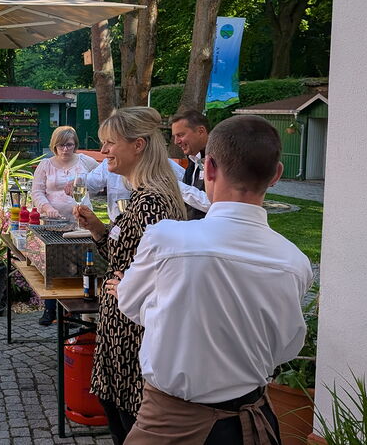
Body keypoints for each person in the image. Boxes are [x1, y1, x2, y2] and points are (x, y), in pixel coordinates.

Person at [115, 115, 313, 444]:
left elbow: (130, 304)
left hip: (170, 421)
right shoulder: (295, 262)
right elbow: (286, 346)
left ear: (208, 168)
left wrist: (168, 311)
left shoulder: (167, 239)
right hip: (254, 419)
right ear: (276, 175)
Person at [73, 107, 187, 445]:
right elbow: (127, 260)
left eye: (110, 143)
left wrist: (130, 287)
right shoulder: (142, 196)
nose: (104, 151)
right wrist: (98, 230)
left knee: (131, 428)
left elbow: (165, 272)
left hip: (133, 338)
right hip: (120, 334)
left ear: (138, 146)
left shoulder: (152, 201)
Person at [32, 125, 99, 325]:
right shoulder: (46, 165)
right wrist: (46, 207)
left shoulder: (86, 162)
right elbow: (37, 191)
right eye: (61, 145)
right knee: (53, 263)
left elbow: (102, 178)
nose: (65, 149)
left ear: (75, 145)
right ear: (54, 146)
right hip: (53, 223)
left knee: (79, 263)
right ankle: (50, 308)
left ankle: (76, 310)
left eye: (69, 145)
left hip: (81, 223)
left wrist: (91, 194)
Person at [86, 159, 211, 223]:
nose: (104, 150)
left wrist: (169, 184)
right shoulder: (107, 164)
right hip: (117, 226)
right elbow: (89, 184)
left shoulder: (166, 167)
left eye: (112, 142)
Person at [169, 110, 211, 220]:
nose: (176, 141)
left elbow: (213, 204)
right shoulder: (193, 159)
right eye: (174, 136)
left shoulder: (220, 159)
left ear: (201, 131)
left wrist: (173, 185)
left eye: (180, 135)